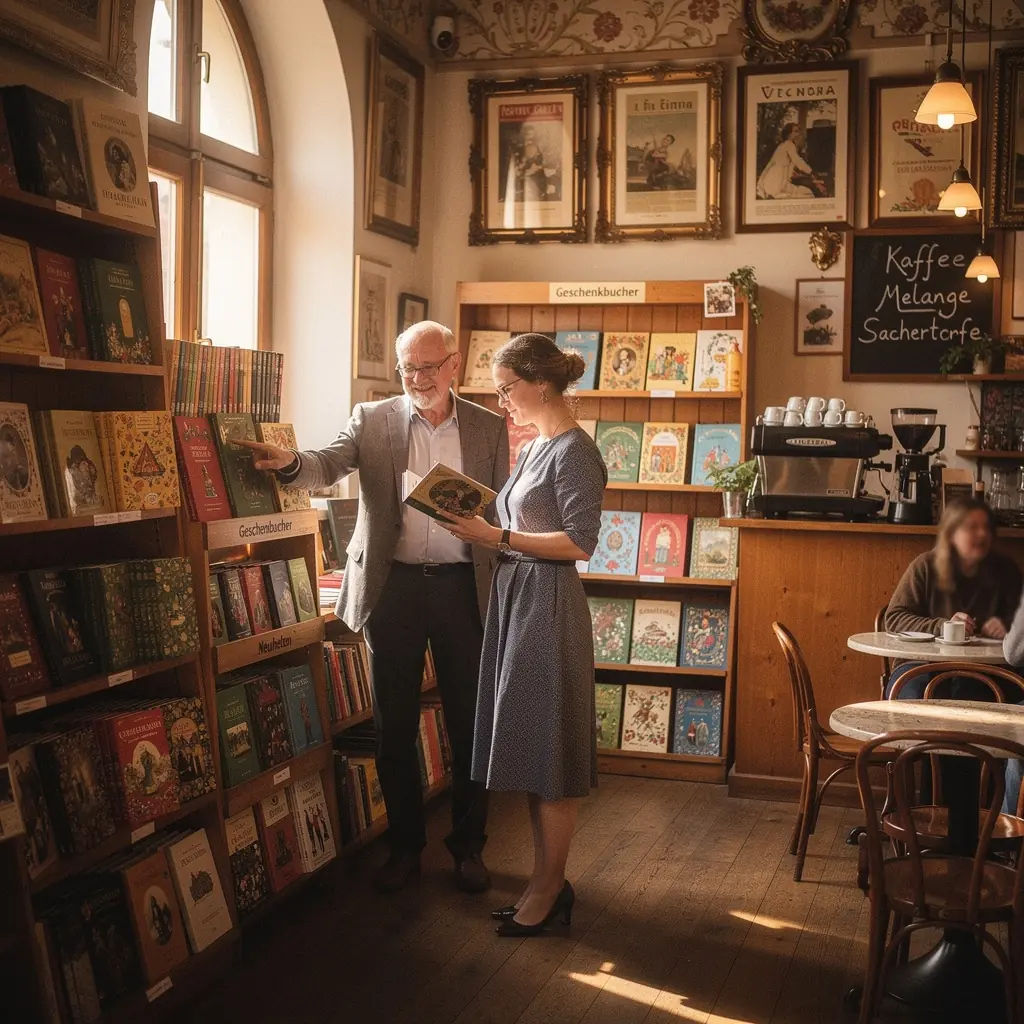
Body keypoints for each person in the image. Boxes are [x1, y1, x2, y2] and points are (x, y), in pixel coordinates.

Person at [239, 321, 509, 894]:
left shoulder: (488, 428)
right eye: (407, 368)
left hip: (466, 588)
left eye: (428, 368)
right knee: (394, 726)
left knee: (470, 725)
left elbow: (505, 504)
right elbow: (328, 463)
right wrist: (290, 463)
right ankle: (405, 848)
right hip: (395, 588)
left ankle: (468, 848)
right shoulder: (374, 419)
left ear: (454, 364)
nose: (416, 379)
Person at [440, 332, 608, 937]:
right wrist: (481, 524)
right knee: (537, 750)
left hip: (548, 604)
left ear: (541, 383)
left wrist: (496, 538)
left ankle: (548, 887)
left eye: (508, 387)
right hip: (519, 598)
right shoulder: (536, 447)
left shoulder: (574, 452)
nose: (502, 398)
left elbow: (579, 542)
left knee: (550, 757)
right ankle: (546, 883)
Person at [884, 498, 1022, 699]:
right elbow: (894, 618)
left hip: (986, 670)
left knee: (985, 697)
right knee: (912, 699)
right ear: (951, 534)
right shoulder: (924, 566)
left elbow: (1021, 623)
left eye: (985, 527)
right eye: (972, 527)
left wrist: (1007, 626)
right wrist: (943, 626)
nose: (982, 534)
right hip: (921, 666)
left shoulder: (1006, 570)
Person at [756, 124, 821, 200]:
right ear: (789, 134)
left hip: (770, 183)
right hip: (777, 183)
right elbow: (798, 161)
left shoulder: (782, 145)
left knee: (805, 192)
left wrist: (801, 174)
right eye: (796, 131)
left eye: (798, 131)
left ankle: (773, 195)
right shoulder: (789, 145)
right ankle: (775, 196)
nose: (798, 133)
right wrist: (811, 172)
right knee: (808, 194)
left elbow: (788, 166)